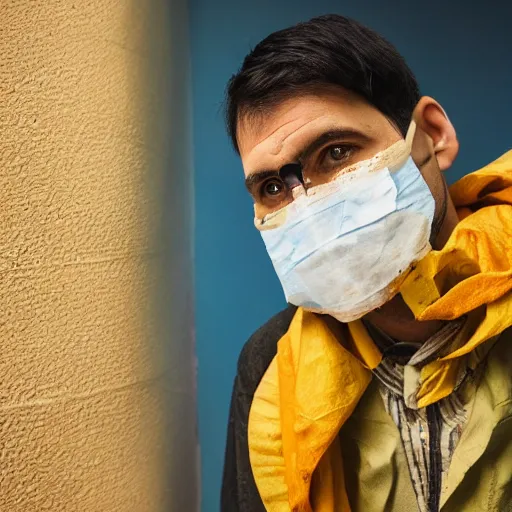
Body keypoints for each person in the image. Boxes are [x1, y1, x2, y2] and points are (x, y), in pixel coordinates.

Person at [220, 14, 512, 512]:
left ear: (432, 136)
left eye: (335, 153)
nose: (307, 210)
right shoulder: (270, 366)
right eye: (272, 187)